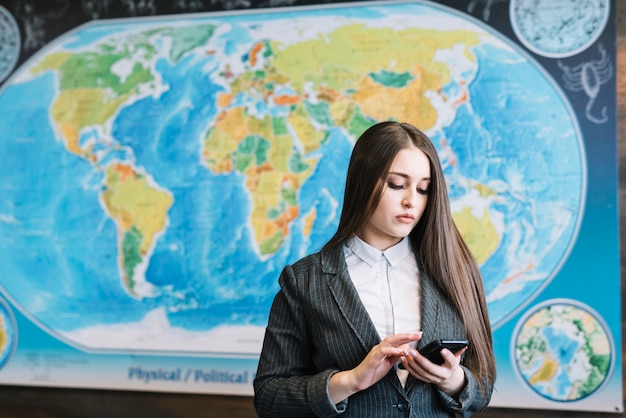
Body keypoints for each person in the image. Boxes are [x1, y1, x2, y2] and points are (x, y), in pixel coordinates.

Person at [253, 121, 496, 417]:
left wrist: (452, 380)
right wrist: (350, 381)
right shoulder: (305, 280)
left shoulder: (455, 272)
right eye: (397, 184)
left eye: (423, 189)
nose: (411, 201)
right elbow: (269, 397)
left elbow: (483, 386)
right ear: (363, 182)